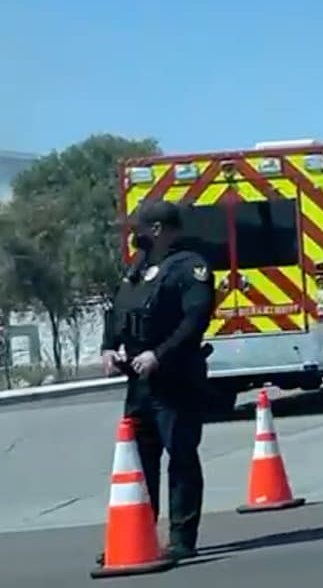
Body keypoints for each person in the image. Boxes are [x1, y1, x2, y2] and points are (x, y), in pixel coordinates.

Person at [99, 200, 215, 563]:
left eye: (139, 228)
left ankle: (182, 538)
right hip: (138, 381)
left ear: (159, 230)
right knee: (138, 460)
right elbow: (117, 310)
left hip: (175, 377)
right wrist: (108, 347)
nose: (134, 234)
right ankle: (137, 536)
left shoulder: (189, 267)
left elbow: (194, 320)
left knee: (180, 456)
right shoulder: (139, 266)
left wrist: (159, 355)